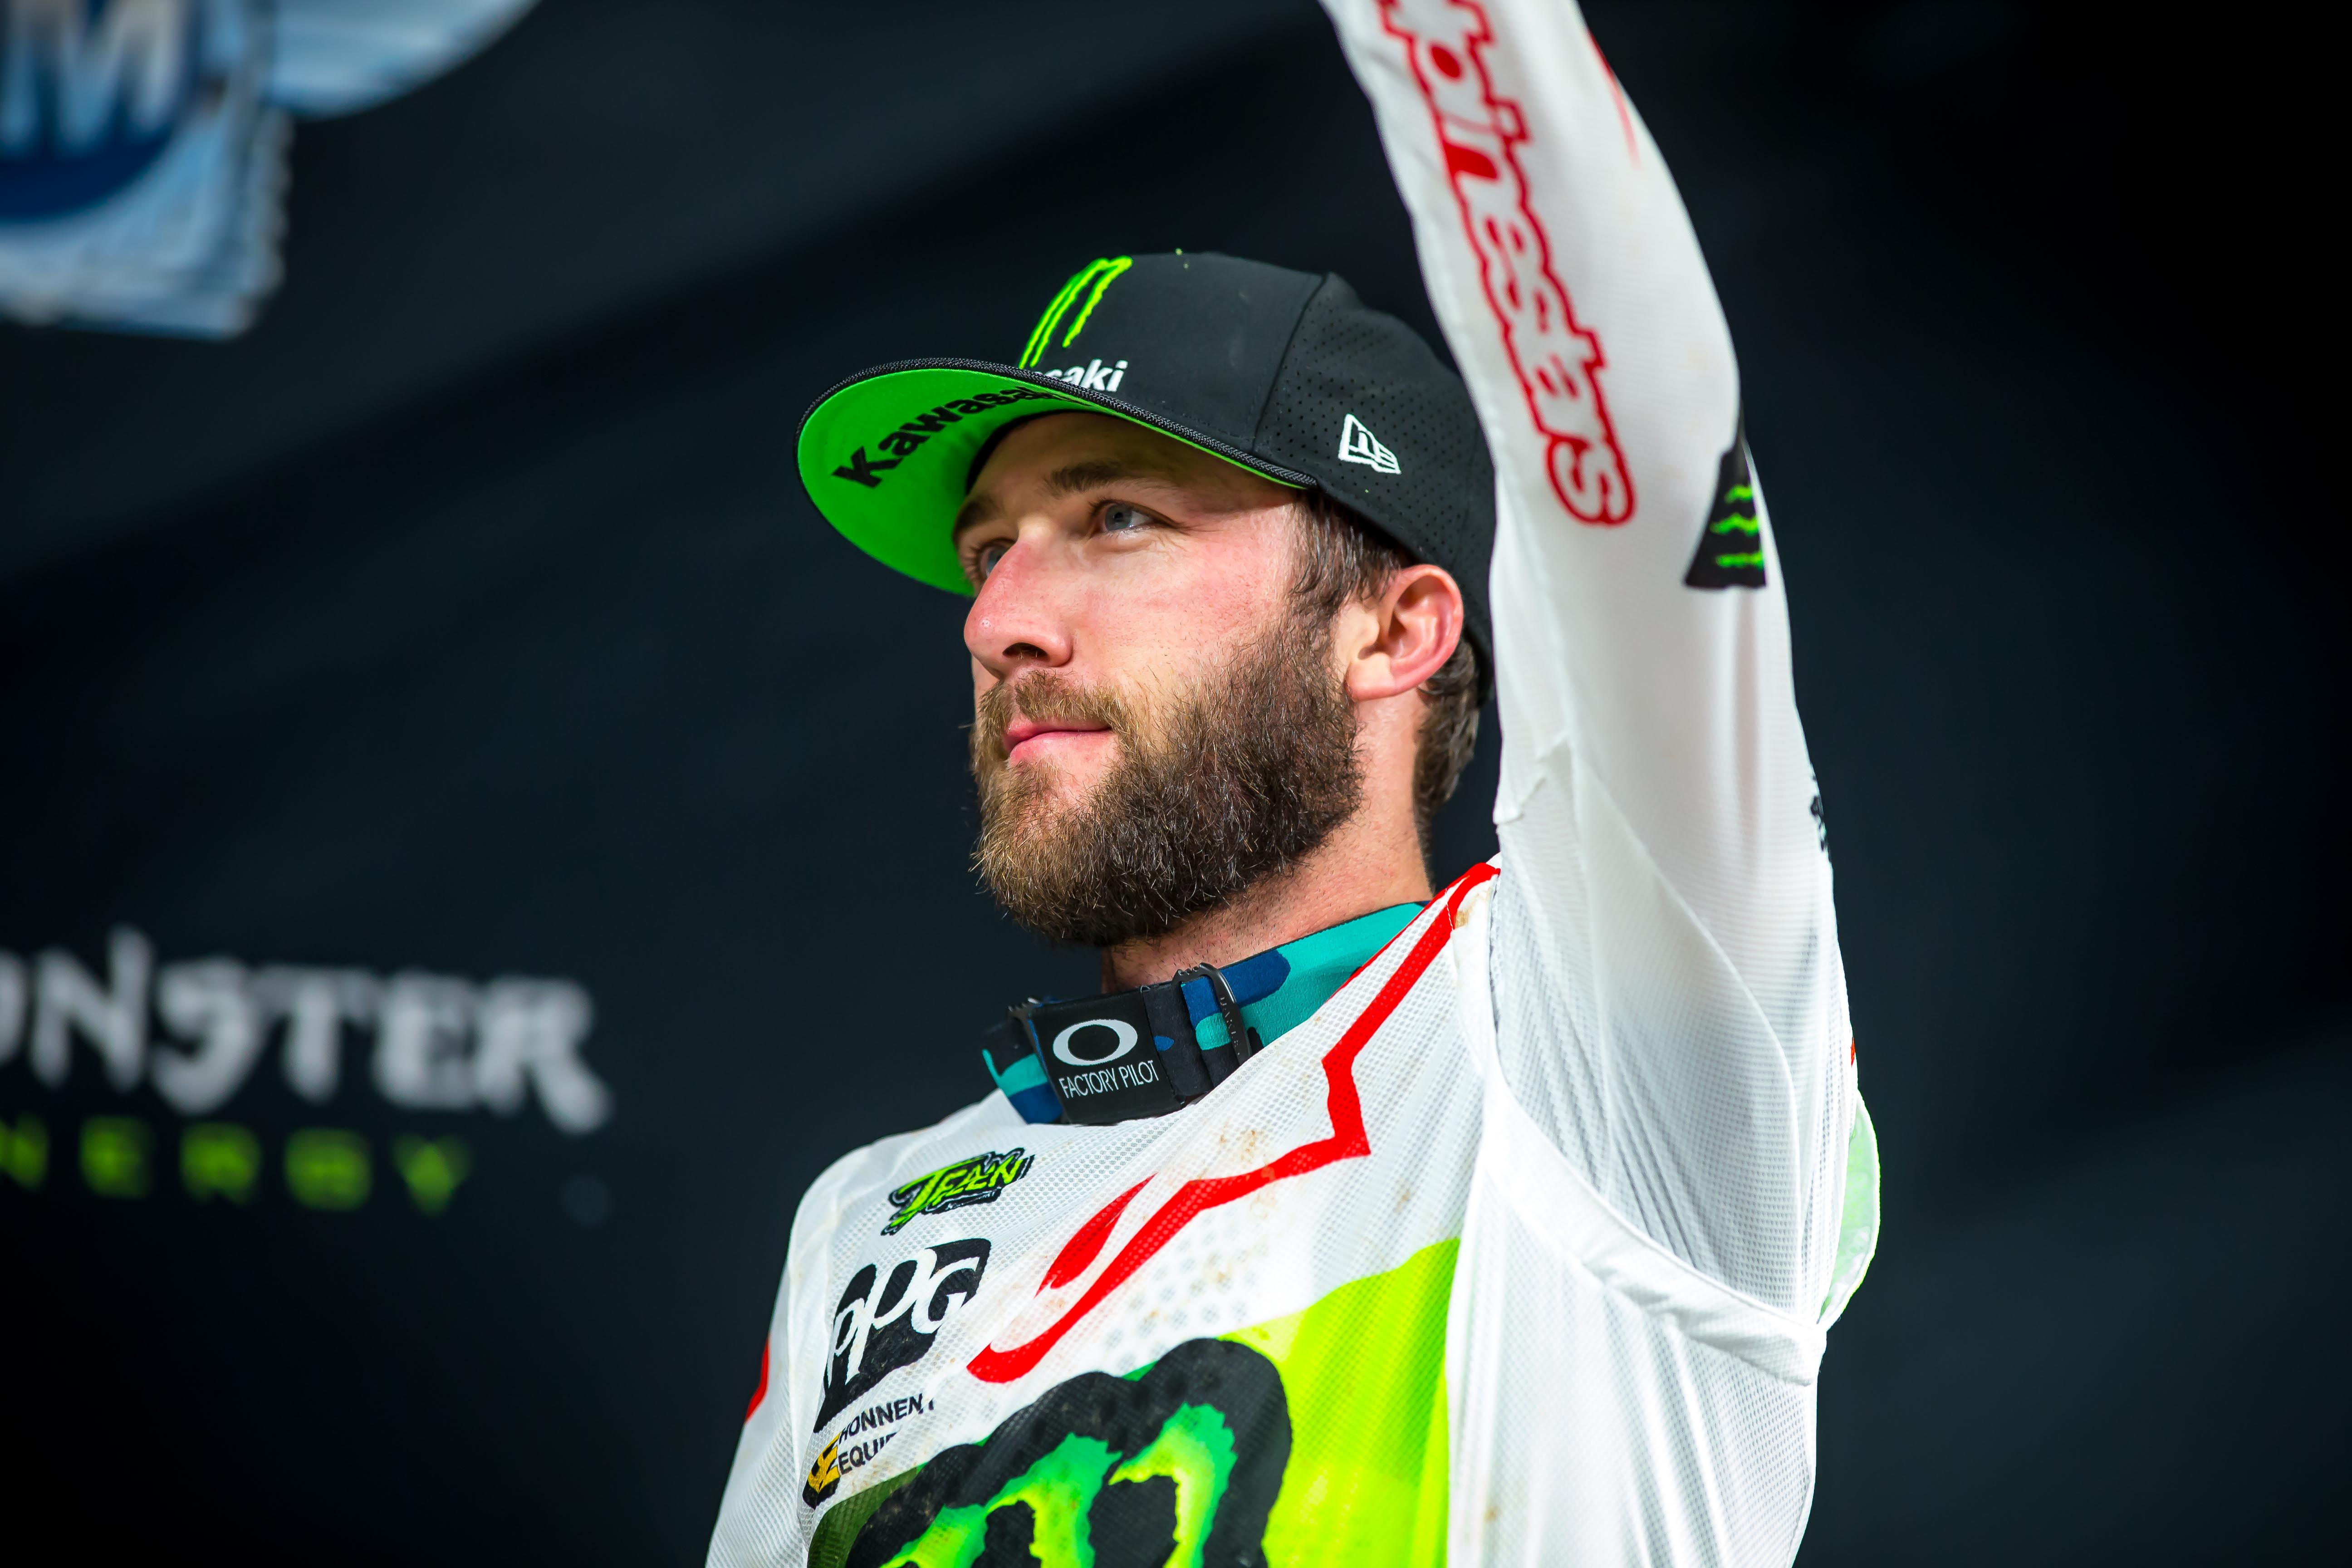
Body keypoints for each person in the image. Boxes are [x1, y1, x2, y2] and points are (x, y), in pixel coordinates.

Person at [708, 0, 1877, 1562]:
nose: (997, 623)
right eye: (989, 553)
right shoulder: (865, 1223)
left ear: (1394, 631)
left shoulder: (1602, 1049)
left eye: (1120, 519)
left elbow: (1639, 461)